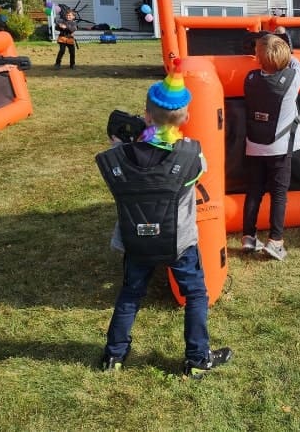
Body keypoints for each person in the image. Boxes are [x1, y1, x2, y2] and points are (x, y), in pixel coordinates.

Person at [95, 59, 232, 378]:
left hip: (135, 239)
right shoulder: (191, 156)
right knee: (196, 293)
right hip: (178, 241)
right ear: (186, 116)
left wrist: (135, 137)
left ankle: (114, 356)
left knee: (130, 293)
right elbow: (199, 173)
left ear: (145, 115)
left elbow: (128, 156)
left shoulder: (122, 154)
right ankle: (197, 358)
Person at [241, 33, 300, 261]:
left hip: (254, 145)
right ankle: (275, 241)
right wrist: (284, 45)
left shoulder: (249, 78)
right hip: (279, 148)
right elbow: (298, 63)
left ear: (258, 58)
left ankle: (248, 237)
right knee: (279, 194)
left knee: (254, 191)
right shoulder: (292, 78)